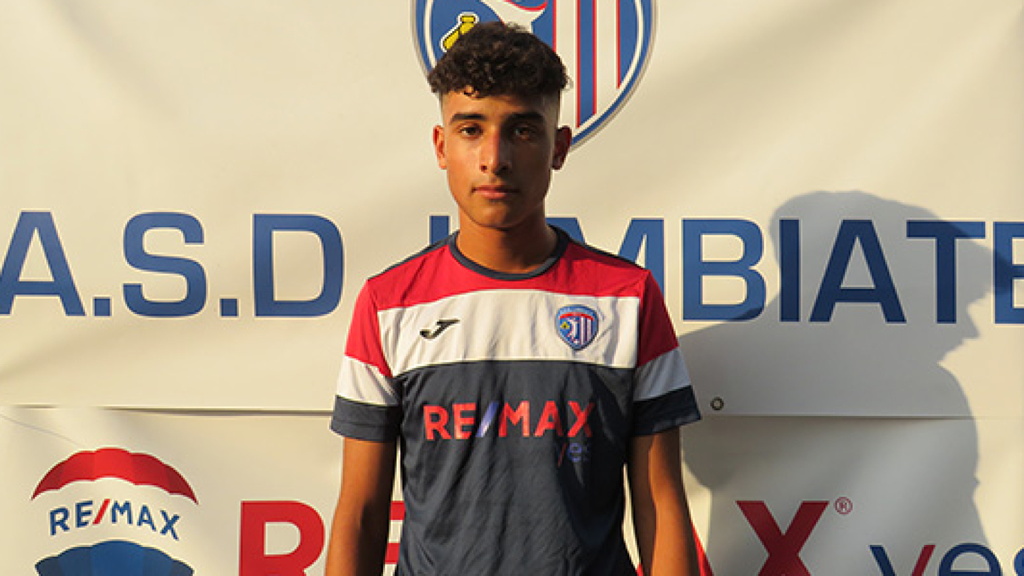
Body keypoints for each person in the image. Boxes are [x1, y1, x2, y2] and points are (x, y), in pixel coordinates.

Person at [325, 21, 701, 576]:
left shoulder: (627, 298)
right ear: (441, 146)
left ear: (559, 147)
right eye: (471, 129)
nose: (494, 158)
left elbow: (660, 504)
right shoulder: (389, 304)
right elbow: (360, 513)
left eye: (522, 130)